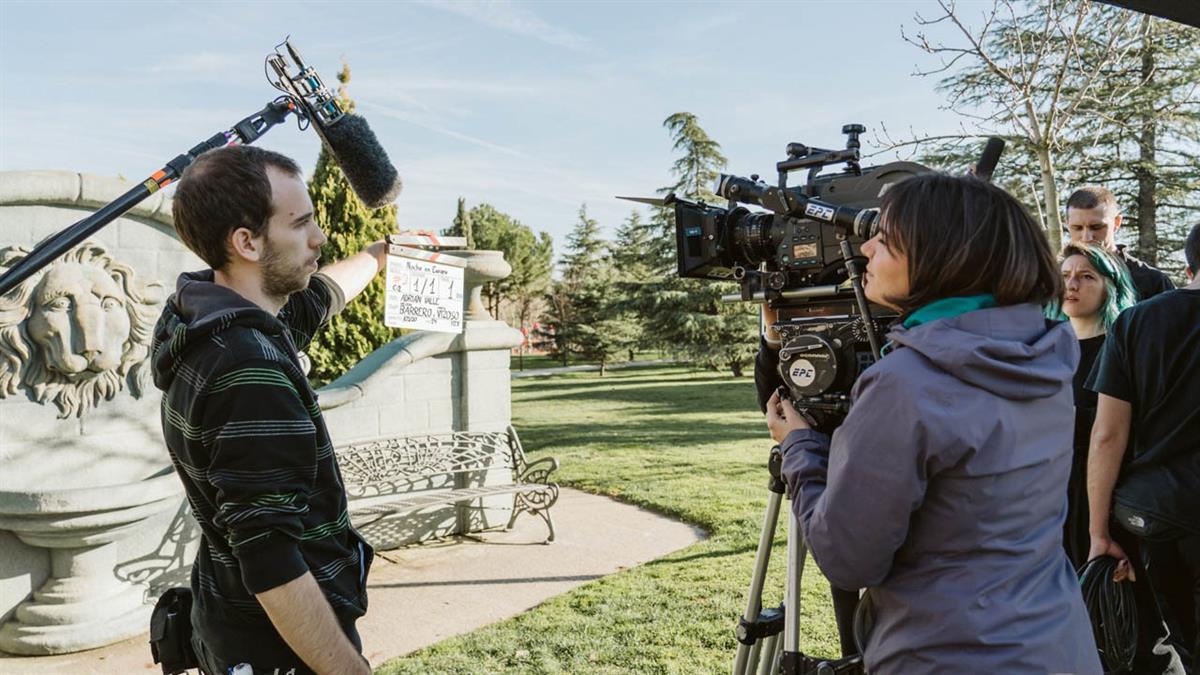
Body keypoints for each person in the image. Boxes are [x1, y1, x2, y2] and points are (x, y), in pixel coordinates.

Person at [766, 173, 1099, 673]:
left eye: (885, 237)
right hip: (1055, 642)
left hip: (945, 654)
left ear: (943, 256)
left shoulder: (906, 383)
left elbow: (848, 558)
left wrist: (798, 446)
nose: (866, 248)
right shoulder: (1046, 354)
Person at [152, 145, 388, 675]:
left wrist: (379, 255)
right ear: (247, 242)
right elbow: (271, 559)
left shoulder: (203, 315)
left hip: (227, 618)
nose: (319, 237)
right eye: (301, 222)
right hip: (279, 647)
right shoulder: (247, 370)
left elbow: (317, 298)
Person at [1087, 222, 1200, 673]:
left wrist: (1098, 534)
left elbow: (1108, 435)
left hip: (1157, 514)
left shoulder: (1137, 320)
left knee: (1186, 646)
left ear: (1189, 265)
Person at [754, 305, 861, 658]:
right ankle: (852, 656)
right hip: (821, 453)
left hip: (865, 458)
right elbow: (772, 401)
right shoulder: (791, 345)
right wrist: (773, 337)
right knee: (842, 577)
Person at [1045, 243, 1137, 567]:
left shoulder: (1123, 350)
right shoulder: (1041, 349)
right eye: (1066, 275)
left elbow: (1113, 434)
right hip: (1048, 494)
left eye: (1086, 277)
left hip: (1106, 492)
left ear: (1109, 288)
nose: (1071, 284)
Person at [1065, 185, 1175, 301]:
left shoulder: (1152, 282)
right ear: (1067, 224)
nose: (1086, 237)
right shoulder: (1053, 279)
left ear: (1117, 222)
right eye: (1077, 228)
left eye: (1096, 227)